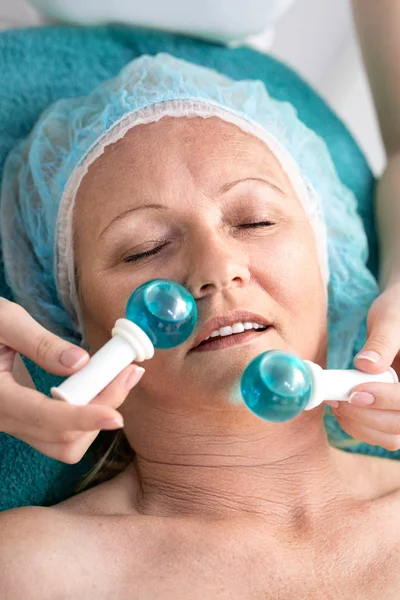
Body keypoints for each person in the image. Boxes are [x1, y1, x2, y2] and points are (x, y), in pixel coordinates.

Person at [1, 54, 400, 598]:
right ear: (77, 329)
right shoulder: (37, 568)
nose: (215, 269)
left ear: (329, 267)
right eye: (144, 250)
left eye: (255, 221)